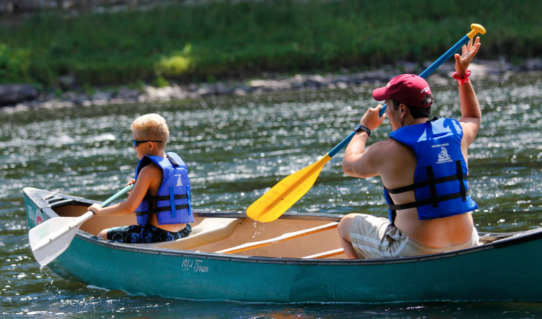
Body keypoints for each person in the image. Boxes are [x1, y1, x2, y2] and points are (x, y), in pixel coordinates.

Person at [337, 37, 482, 259]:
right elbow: (472, 116)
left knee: (345, 225)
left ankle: (366, 287)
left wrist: (364, 128)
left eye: (388, 104)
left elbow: (348, 165)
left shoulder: (386, 151)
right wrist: (462, 77)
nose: (386, 110)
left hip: (416, 249)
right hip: (468, 241)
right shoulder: (458, 134)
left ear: (402, 109)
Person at [87, 114, 193, 243]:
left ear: (150, 145)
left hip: (158, 235)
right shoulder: (175, 164)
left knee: (103, 234)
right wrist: (137, 190)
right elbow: (163, 195)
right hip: (184, 231)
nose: (134, 147)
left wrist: (100, 211)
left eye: (135, 142)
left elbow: (128, 208)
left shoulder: (148, 171)